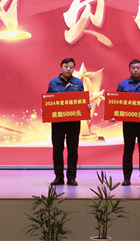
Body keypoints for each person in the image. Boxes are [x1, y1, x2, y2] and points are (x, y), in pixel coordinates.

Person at [47, 57, 84, 186]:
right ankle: (59, 177)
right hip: (58, 122)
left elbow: (82, 99)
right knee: (57, 150)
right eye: (66, 66)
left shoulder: (78, 83)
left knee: (73, 150)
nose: (68, 69)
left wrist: (86, 106)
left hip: (73, 122)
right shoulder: (53, 82)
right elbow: (48, 99)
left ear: (74, 69)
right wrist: (45, 109)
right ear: (61, 67)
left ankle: (71, 177)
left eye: (71, 67)